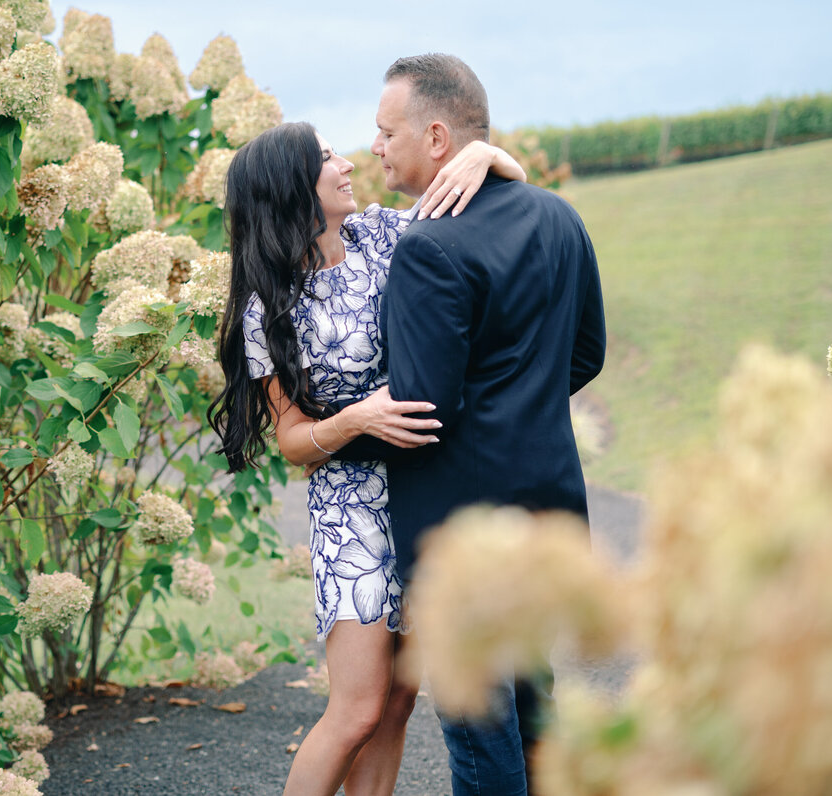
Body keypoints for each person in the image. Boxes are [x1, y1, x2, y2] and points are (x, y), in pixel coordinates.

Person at [208, 120, 527, 796]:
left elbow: (491, 202)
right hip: (352, 514)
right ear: (293, 187)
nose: (348, 163)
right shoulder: (269, 306)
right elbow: (294, 443)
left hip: (423, 490)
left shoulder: (382, 234)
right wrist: (356, 418)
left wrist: (491, 155)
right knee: (356, 710)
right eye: (327, 158)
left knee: (397, 705)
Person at [344, 53, 607, 795]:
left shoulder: (428, 248)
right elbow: (586, 352)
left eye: (385, 131)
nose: (374, 147)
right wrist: (522, 402)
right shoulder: (559, 215)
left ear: (434, 137)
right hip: (549, 510)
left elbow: (424, 406)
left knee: (479, 727)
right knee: (532, 706)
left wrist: (329, 431)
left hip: (463, 531)